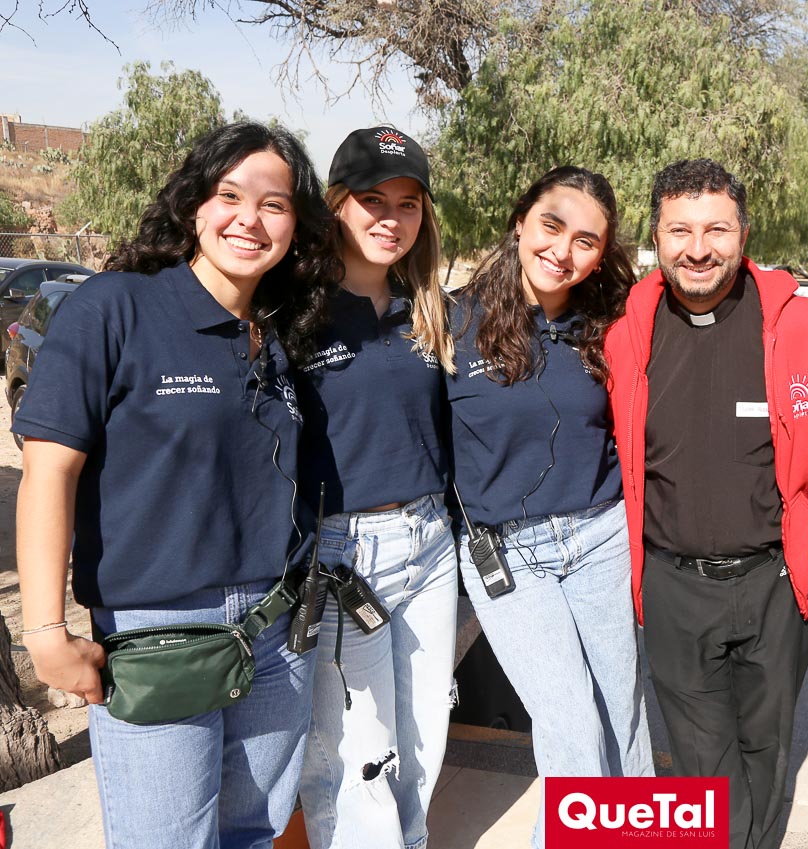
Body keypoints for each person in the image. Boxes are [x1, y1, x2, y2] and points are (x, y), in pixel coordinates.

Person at [13, 121, 340, 849]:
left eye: (275, 204)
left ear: (296, 226)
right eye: (230, 196)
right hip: (157, 634)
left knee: (253, 832)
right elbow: (48, 471)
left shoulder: (274, 333)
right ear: (194, 206)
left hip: (277, 630)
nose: (249, 219)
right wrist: (44, 632)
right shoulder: (115, 307)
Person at [606, 159, 808, 849]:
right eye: (680, 230)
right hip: (674, 585)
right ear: (655, 236)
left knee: (768, 752)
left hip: (773, 584)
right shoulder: (625, 332)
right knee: (704, 764)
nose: (698, 248)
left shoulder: (799, 324)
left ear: (744, 233)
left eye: (716, 230)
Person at [447, 165, 653, 849]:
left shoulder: (610, 325)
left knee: (623, 717)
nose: (563, 251)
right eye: (552, 226)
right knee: (571, 729)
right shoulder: (452, 322)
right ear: (520, 222)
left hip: (601, 537)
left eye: (586, 241)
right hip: (508, 557)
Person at [295, 127, 457, 849]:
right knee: (360, 756)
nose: (391, 218)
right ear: (337, 204)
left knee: (423, 737)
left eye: (408, 203)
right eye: (372, 200)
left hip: (431, 544)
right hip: (341, 555)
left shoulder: (431, 309)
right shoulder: (296, 312)